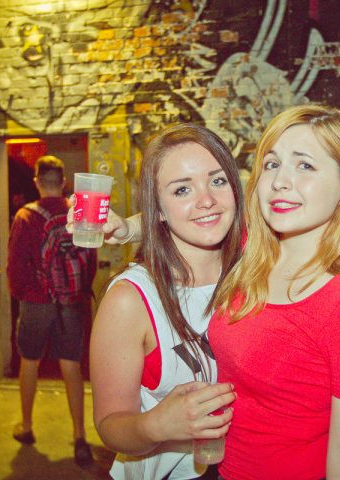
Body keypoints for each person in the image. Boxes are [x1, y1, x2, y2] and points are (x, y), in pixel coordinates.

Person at [209, 104, 340, 479]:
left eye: (305, 165)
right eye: (272, 163)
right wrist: (128, 229)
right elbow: (193, 221)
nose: (280, 181)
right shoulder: (253, 253)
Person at [90, 124, 240, 480]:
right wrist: (157, 425)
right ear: (156, 208)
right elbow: (110, 425)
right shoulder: (132, 300)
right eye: (182, 189)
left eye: (218, 181)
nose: (206, 200)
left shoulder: (257, 272)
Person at [7, 155, 96, 467]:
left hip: (36, 300)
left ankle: (27, 426)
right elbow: (90, 259)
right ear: (63, 182)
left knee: (29, 361)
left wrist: (23, 295)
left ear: (37, 182)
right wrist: (78, 291)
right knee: (71, 365)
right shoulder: (79, 211)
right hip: (71, 300)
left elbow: (15, 268)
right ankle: (79, 435)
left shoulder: (25, 217)